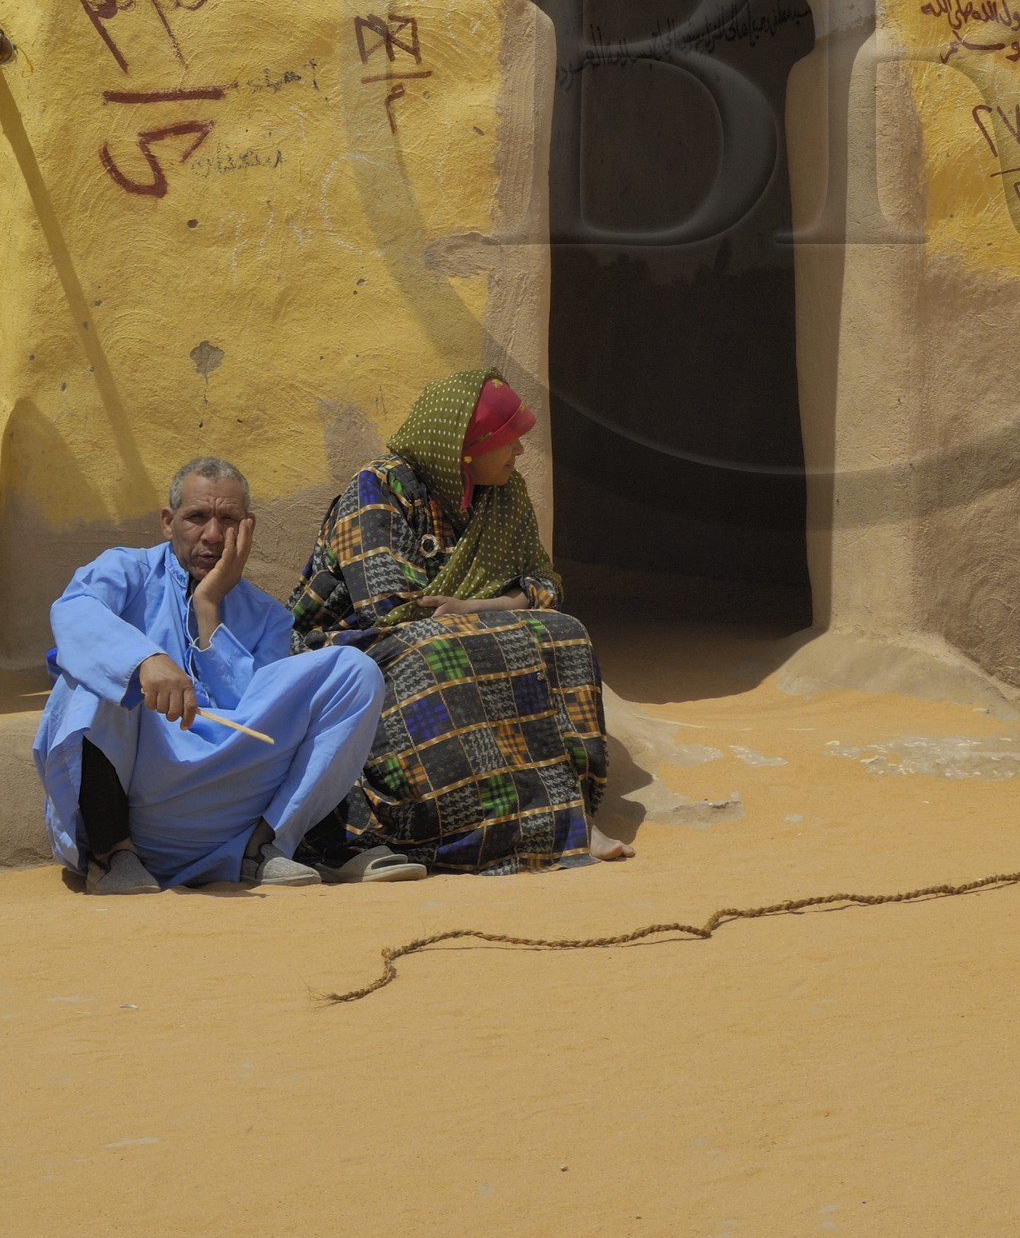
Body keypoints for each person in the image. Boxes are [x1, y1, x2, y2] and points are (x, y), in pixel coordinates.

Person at [289, 368, 632, 874]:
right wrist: (464, 618)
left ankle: (566, 813)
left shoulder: (504, 495)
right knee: (444, 649)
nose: (518, 455)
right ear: (465, 449)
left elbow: (545, 585)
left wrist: (478, 608)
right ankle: (480, 823)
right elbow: (391, 609)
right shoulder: (378, 489)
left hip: (462, 624)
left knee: (566, 635)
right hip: (353, 641)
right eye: (508, 443)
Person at [33, 457, 404, 893]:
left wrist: (208, 608)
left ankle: (261, 850)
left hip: (229, 809)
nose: (212, 535)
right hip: (136, 802)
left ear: (247, 528)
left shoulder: (268, 617)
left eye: (228, 519)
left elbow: (253, 710)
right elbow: (73, 612)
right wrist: (144, 659)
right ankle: (113, 855)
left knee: (355, 671)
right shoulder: (125, 571)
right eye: (196, 518)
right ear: (168, 523)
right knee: (90, 676)